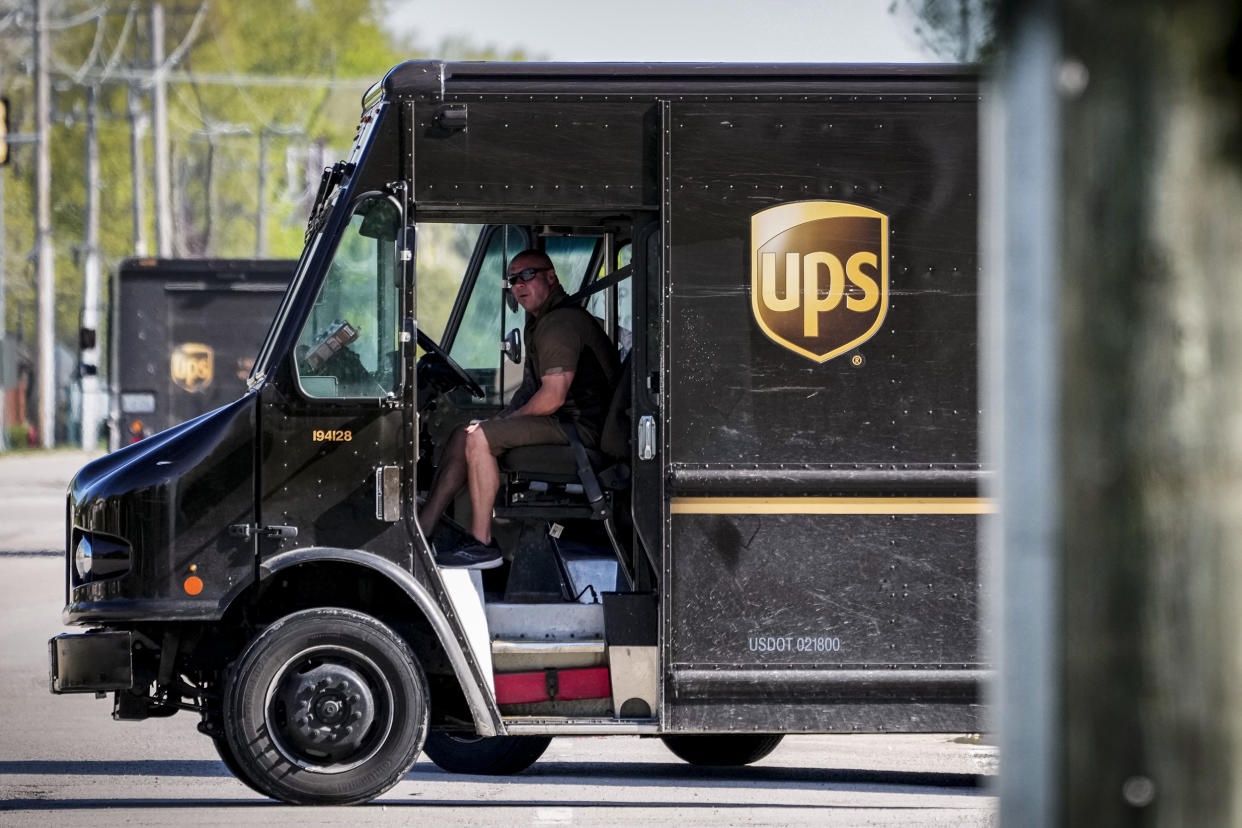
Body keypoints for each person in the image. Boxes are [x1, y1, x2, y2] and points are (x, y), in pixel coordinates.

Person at [420, 249, 621, 569]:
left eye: (527, 275)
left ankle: (481, 544)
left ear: (551, 277)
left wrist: (502, 424)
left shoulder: (560, 323)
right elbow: (530, 389)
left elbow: (552, 397)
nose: (519, 285)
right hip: (562, 422)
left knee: (480, 439)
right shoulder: (540, 322)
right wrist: (497, 420)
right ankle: (423, 530)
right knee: (464, 433)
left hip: (578, 430)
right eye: (513, 280)